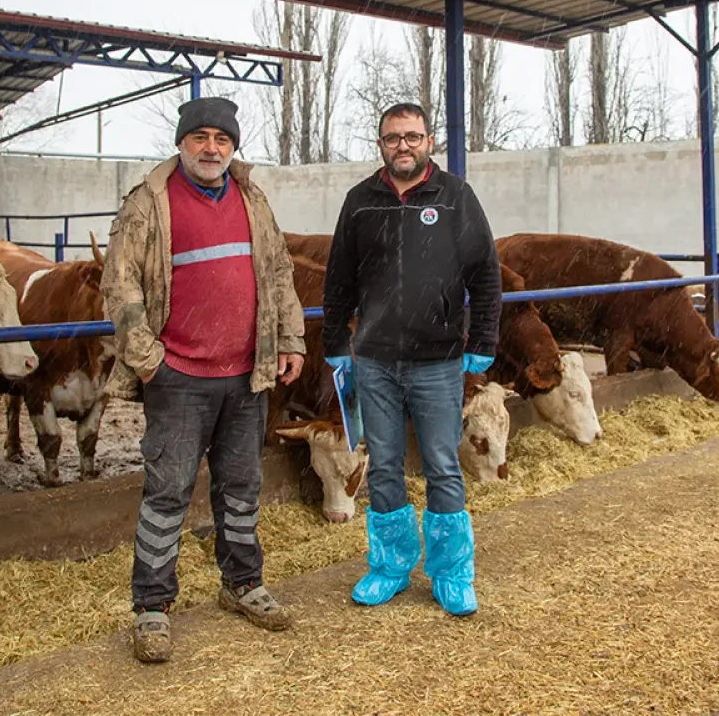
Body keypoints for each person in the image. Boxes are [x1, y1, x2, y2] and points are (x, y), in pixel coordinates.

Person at [101, 96, 306, 663]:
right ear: (182, 142)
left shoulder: (251, 197)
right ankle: (151, 605)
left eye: (222, 139)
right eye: (201, 137)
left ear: (232, 146)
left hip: (245, 375)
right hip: (178, 377)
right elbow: (119, 284)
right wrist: (148, 360)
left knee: (241, 486)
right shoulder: (149, 203)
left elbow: (279, 271)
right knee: (168, 491)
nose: (212, 148)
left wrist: (290, 339)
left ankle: (242, 583)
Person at [322, 102, 502, 615]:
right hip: (374, 360)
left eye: (413, 136)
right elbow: (339, 279)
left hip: (437, 360)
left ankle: (451, 573)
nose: (403, 145)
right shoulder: (361, 201)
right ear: (381, 144)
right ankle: (390, 566)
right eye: (393, 137)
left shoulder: (455, 197)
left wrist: (482, 340)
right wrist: (334, 342)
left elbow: (485, 273)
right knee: (383, 465)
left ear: (429, 141)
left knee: (443, 465)